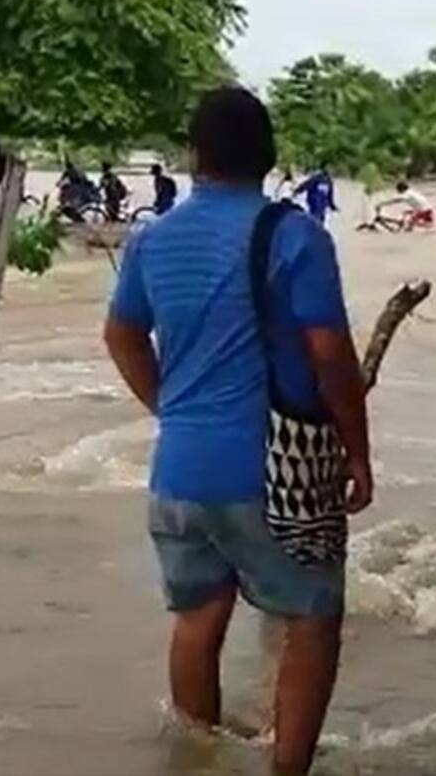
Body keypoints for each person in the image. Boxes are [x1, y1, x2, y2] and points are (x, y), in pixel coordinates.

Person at [103, 86, 373, 775]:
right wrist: (358, 454)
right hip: (269, 474)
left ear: (194, 156)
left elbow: (122, 335)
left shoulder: (152, 238)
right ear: (269, 155)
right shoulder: (295, 235)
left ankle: (195, 758)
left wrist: (171, 408)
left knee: (197, 620)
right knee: (312, 619)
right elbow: (333, 359)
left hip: (178, 474)